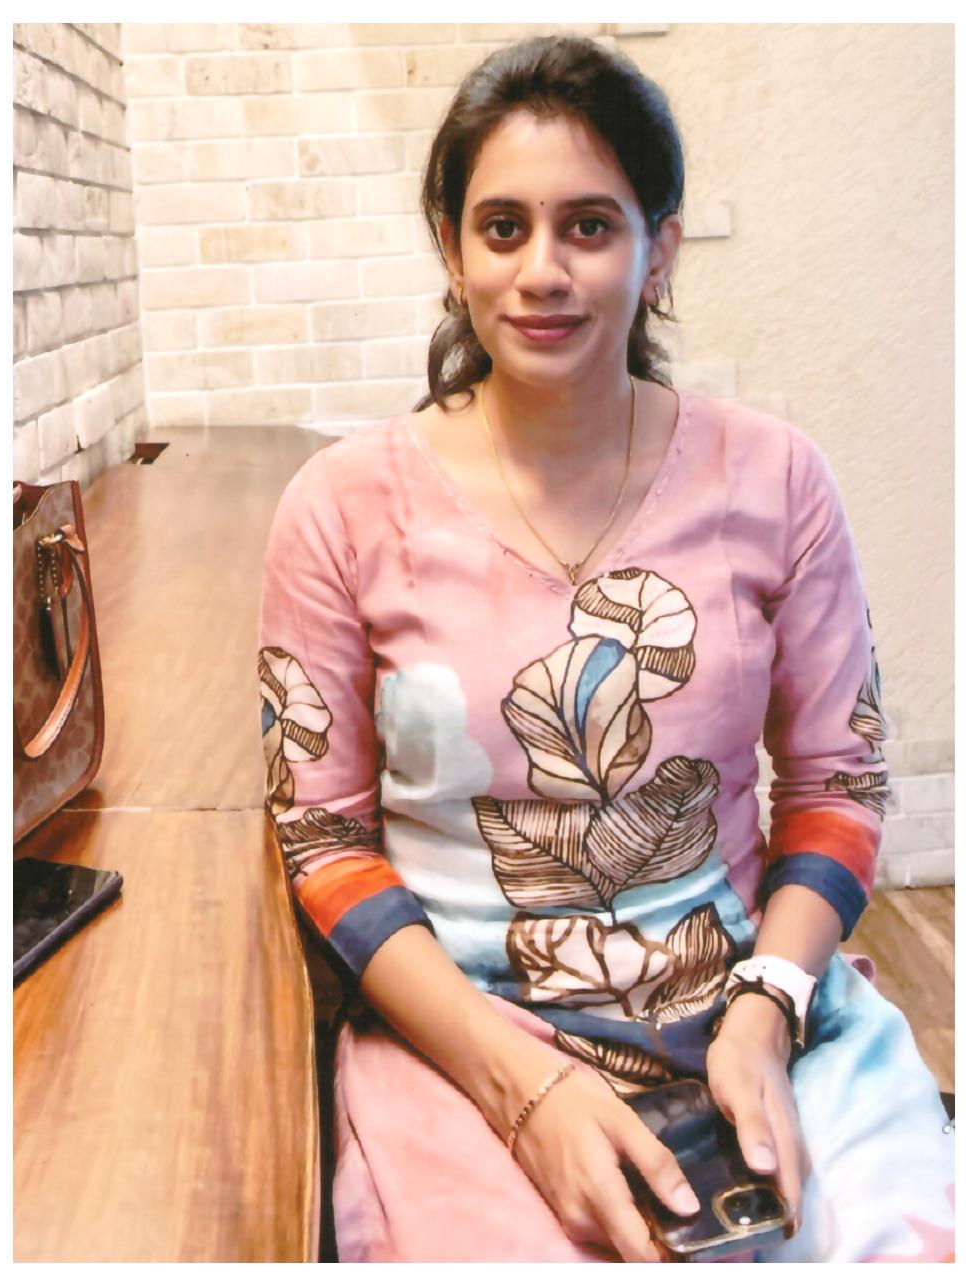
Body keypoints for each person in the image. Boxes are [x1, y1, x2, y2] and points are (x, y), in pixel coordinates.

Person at [258, 34, 954, 1263]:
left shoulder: (775, 478)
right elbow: (323, 837)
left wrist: (767, 1010)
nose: (542, 271)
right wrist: (522, 1091)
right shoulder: (342, 507)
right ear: (451, 249)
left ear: (658, 248)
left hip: (757, 1010)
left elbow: (836, 784)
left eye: (589, 226)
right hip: (462, 1042)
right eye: (503, 228)